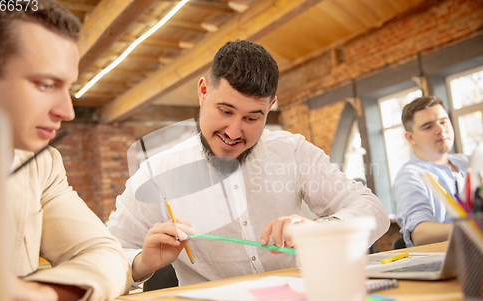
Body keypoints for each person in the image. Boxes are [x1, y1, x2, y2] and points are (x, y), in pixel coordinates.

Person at [106, 40, 389, 286]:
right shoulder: (159, 174)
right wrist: (143, 262)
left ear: (271, 106)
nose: (233, 132)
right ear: (203, 91)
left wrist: (320, 230)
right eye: (225, 111)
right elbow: (109, 252)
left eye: (252, 118)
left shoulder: (292, 151)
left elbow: (373, 210)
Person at [0, 1, 131, 301]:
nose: (67, 111)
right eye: (46, 84)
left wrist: (39, 297)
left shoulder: (42, 164)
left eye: (69, 88)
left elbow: (107, 254)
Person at [394, 96, 469, 247]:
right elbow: (420, 233)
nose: (441, 130)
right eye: (428, 126)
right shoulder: (410, 176)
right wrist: (471, 228)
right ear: (410, 137)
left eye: (443, 121)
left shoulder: (468, 162)